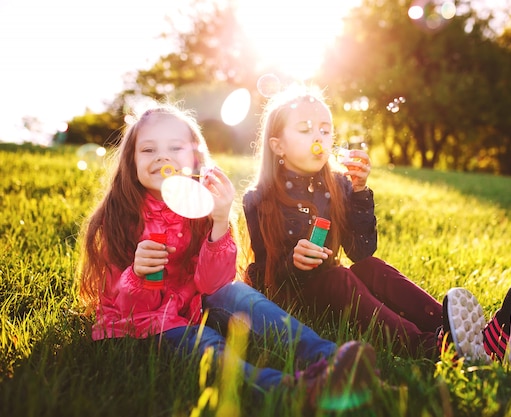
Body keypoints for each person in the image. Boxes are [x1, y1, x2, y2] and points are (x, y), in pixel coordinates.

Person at [75, 104, 378, 412]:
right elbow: (122, 305)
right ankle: (288, 391)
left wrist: (220, 220)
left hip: (193, 301)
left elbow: (213, 283)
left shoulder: (200, 206)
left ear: (195, 159)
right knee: (205, 343)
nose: (162, 157)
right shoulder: (118, 217)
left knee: (239, 294)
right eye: (148, 149)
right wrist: (137, 275)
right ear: (131, 161)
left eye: (175, 148)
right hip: (144, 322)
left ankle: (334, 361)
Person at [242, 85, 511, 362]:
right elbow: (267, 277)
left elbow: (361, 252)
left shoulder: (337, 186)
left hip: (332, 293)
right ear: (277, 146)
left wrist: (358, 192)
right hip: (291, 304)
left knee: (371, 268)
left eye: (325, 130)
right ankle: (432, 347)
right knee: (338, 278)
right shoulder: (259, 199)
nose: (319, 138)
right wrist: (293, 263)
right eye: (305, 130)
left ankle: (468, 335)